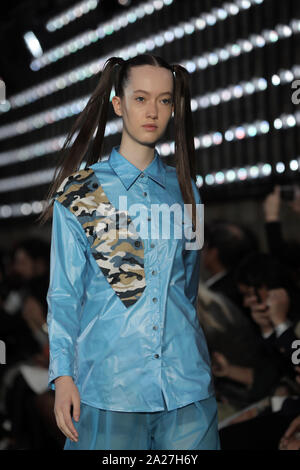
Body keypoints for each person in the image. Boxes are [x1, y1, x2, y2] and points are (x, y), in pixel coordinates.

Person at [37, 54, 221, 450]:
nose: (153, 111)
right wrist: (63, 377)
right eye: (140, 98)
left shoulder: (190, 192)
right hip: (108, 387)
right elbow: (64, 295)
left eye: (165, 100)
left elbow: (188, 290)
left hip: (186, 385)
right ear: (118, 104)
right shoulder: (81, 191)